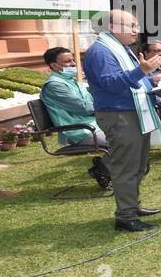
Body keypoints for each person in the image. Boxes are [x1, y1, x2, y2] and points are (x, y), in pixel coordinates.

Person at [82, 9, 161, 232]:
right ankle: (125, 217)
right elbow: (111, 83)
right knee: (126, 166)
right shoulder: (101, 51)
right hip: (119, 115)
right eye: (131, 26)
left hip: (133, 112)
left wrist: (151, 78)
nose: (136, 31)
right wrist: (142, 70)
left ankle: (133, 206)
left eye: (137, 26)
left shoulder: (121, 48)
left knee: (139, 164)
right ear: (112, 27)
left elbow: (131, 78)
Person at [40, 45, 110, 189]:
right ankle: (102, 170)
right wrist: (105, 105)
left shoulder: (72, 81)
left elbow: (91, 101)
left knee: (129, 134)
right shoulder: (54, 85)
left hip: (95, 125)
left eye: (73, 60)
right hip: (80, 131)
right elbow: (84, 107)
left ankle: (104, 167)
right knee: (122, 141)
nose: (73, 64)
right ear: (54, 65)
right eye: (67, 62)